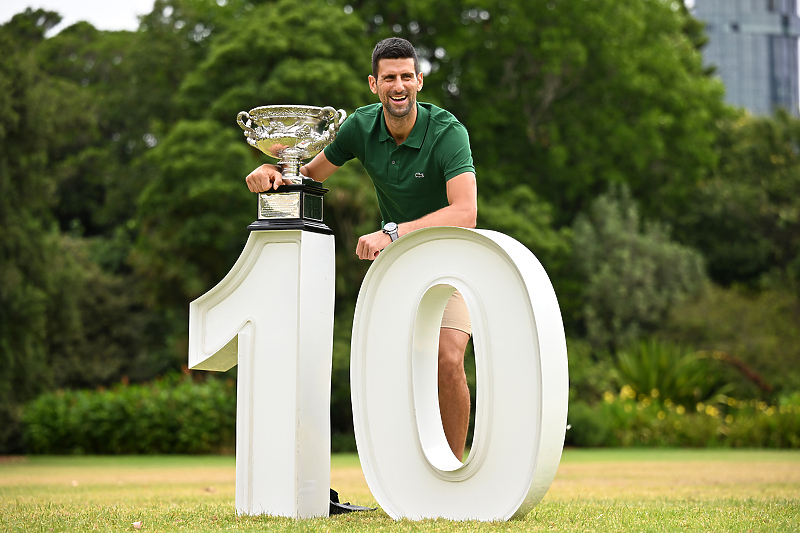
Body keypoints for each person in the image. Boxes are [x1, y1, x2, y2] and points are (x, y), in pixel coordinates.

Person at [245, 37, 477, 460]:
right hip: (398, 265)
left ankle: (454, 470)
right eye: (389, 77)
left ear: (419, 81)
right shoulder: (359, 127)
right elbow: (306, 178)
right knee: (387, 369)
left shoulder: (448, 132)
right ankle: (403, 471)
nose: (399, 85)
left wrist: (391, 233)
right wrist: (271, 169)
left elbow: (466, 212)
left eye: (407, 76)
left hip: (451, 259)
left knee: (447, 358)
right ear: (374, 83)